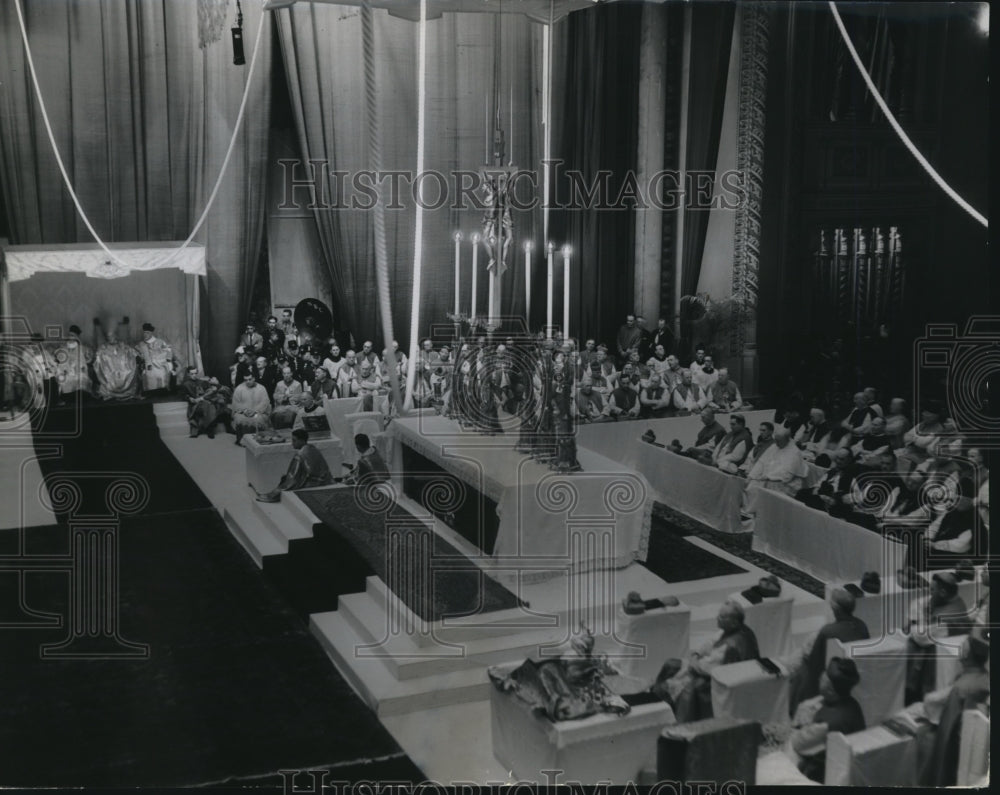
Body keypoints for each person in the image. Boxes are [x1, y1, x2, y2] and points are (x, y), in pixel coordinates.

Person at [650, 600, 759, 723]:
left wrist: (694, 660)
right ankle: (657, 699)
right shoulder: (737, 629)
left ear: (734, 622)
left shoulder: (731, 645)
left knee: (682, 685)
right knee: (671, 664)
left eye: (722, 617)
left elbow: (705, 667)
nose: (717, 618)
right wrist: (697, 653)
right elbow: (711, 642)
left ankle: (672, 718)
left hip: (719, 680)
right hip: (709, 666)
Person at [786, 588, 870, 713]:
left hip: (830, 675)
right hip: (853, 673)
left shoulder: (828, 631)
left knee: (800, 663)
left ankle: (795, 706)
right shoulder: (862, 625)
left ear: (835, 608)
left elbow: (814, 664)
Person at [787, 658, 865, 782]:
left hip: (825, 775)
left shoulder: (826, 724)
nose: (819, 679)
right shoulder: (853, 703)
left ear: (831, 690)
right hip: (852, 766)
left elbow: (797, 743)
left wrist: (797, 725)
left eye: (823, 679)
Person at [905, 571, 969, 703]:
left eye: (932, 590)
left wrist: (912, 625)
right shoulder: (956, 599)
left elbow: (920, 637)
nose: (930, 594)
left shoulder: (947, 618)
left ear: (943, 593)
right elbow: (922, 602)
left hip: (938, 668)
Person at [254, 429, 334, 502]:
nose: (292, 443)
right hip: (325, 480)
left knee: (285, 480)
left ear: (302, 441)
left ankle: (271, 496)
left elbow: (293, 478)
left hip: (312, 483)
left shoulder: (300, 455)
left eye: (294, 440)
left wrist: (280, 487)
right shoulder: (313, 448)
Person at [93, 318, 141, 401]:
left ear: (115, 336)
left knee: (129, 371)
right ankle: (110, 392)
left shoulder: (122, 345)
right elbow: (99, 355)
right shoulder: (103, 347)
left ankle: (128, 391)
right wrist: (98, 357)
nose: (110, 338)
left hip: (122, 367)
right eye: (109, 337)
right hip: (110, 368)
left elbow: (130, 350)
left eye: (112, 336)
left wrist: (136, 355)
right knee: (108, 374)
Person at [230, 371, 271, 445]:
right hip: (243, 412)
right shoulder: (239, 388)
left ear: (254, 378)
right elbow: (236, 403)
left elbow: (265, 402)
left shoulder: (261, 388)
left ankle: (258, 441)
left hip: (258, 412)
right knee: (240, 419)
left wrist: (255, 411)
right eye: (245, 380)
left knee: (259, 419)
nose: (248, 381)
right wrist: (244, 410)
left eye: (250, 379)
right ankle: (242, 441)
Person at [180, 366, 220, 438]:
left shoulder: (202, 382)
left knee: (209, 406)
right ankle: (204, 429)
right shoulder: (185, 384)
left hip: (205, 401)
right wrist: (189, 398)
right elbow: (183, 395)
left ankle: (210, 429)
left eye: (195, 373)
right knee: (206, 407)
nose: (194, 375)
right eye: (192, 374)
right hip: (195, 404)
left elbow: (210, 391)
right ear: (188, 374)